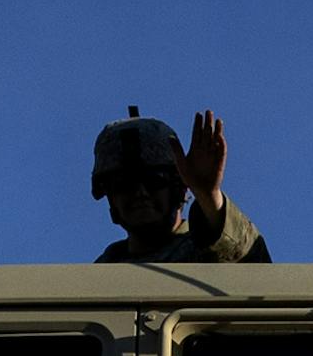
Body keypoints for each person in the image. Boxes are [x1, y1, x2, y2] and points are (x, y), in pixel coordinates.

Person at [92, 106, 270, 263]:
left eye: (155, 180)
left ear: (179, 188)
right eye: (124, 185)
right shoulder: (101, 273)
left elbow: (249, 261)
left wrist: (208, 196)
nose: (140, 193)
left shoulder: (207, 251)